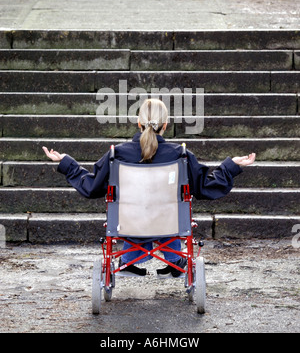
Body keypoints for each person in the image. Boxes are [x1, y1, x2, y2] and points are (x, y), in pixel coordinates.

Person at [43, 98, 256, 278]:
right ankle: (175, 259)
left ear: (138, 123)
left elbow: (91, 187)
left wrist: (66, 163)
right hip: (169, 222)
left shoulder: (117, 154)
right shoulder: (180, 154)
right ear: (165, 125)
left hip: (130, 223)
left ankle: (128, 259)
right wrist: (231, 166)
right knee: (168, 209)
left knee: (139, 208)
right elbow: (204, 187)